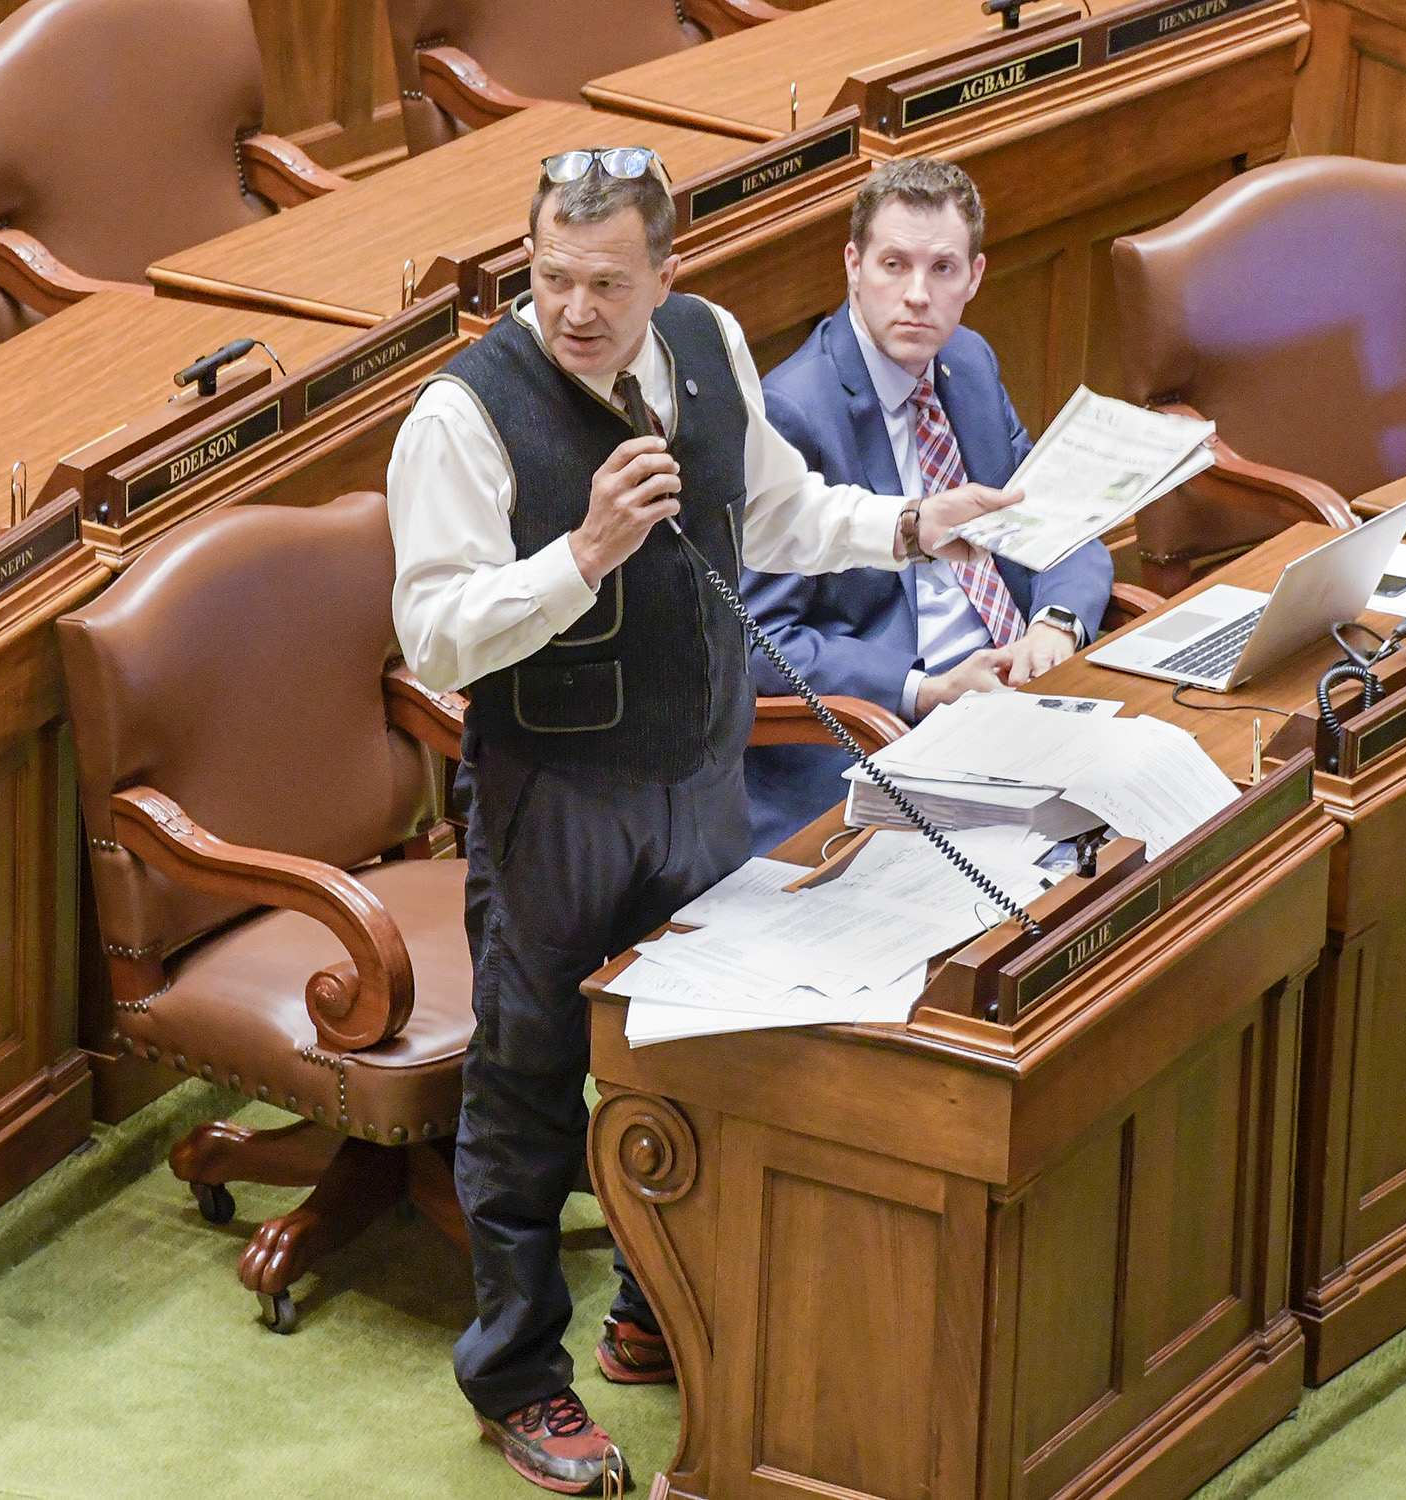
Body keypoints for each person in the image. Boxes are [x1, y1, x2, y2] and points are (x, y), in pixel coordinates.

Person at [386, 146, 1008, 1494]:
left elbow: (774, 512)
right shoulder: (461, 417)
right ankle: (517, 1379)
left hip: (700, 781)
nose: (579, 309)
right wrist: (581, 556)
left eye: (611, 282)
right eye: (554, 278)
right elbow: (432, 641)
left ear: (669, 273)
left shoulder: (708, 345)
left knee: (697, 1062)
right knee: (531, 1087)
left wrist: (909, 526)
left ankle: (660, 1311)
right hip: (555, 797)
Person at [742, 158, 1114, 852]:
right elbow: (758, 641)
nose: (916, 294)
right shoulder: (792, 411)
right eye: (893, 264)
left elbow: (1057, 523)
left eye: (942, 269)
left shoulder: (968, 362)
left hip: (1015, 703)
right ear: (853, 266)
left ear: (974, 277)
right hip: (885, 736)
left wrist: (1055, 627)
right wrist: (925, 689)